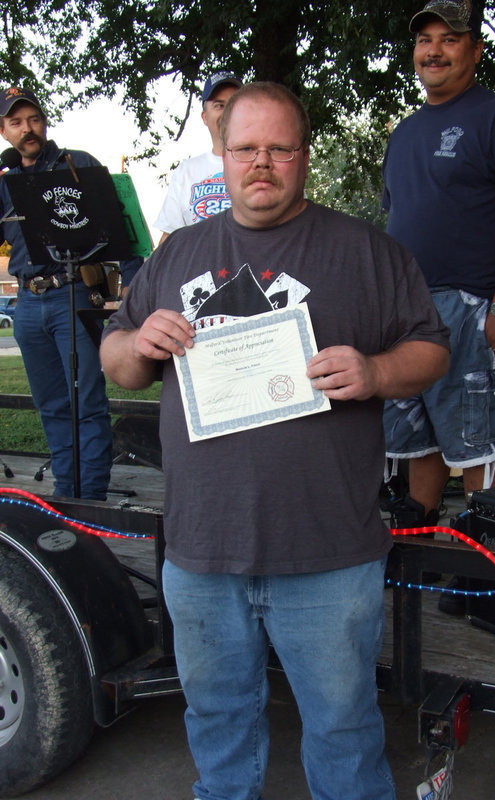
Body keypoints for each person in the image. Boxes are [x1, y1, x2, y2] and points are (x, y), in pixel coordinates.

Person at [100, 81, 450, 800]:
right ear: (220, 157)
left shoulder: (368, 253)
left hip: (326, 552)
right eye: (245, 148)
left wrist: (377, 368)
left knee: (343, 729)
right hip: (203, 552)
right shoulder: (177, 256)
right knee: (218, 721)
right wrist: (139, 341)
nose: (261, 162)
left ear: (304, 157)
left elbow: (433, 354)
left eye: (278, 148)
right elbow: (120, 364)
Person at [381, 0, 495, 544]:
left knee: (476, 437)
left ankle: (483, 558)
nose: (433, 50)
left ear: (475, 51)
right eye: (424, 40)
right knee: (420, 434)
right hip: (406, 310)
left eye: (449, 40)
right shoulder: (404, 133)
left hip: (474, 305)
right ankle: (416, 542)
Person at [0, 85, 143, 500]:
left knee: (87, 403)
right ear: (4, 131)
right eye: (16, 122)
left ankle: (91, 500)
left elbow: (116, 225)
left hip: (72, 294)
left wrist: (136, 281)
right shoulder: (5, 182)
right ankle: (67, 495)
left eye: (33, 119)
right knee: (52, 406)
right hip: (27, 303)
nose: (28, 129)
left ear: (43, 122)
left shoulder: (75, 164)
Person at [154, 70, 242, 244]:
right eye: (219, 105)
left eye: (234, 105)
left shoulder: (265, 163)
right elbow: (168, 240)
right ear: (204, 117)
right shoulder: (186, 171)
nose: (227, 113)